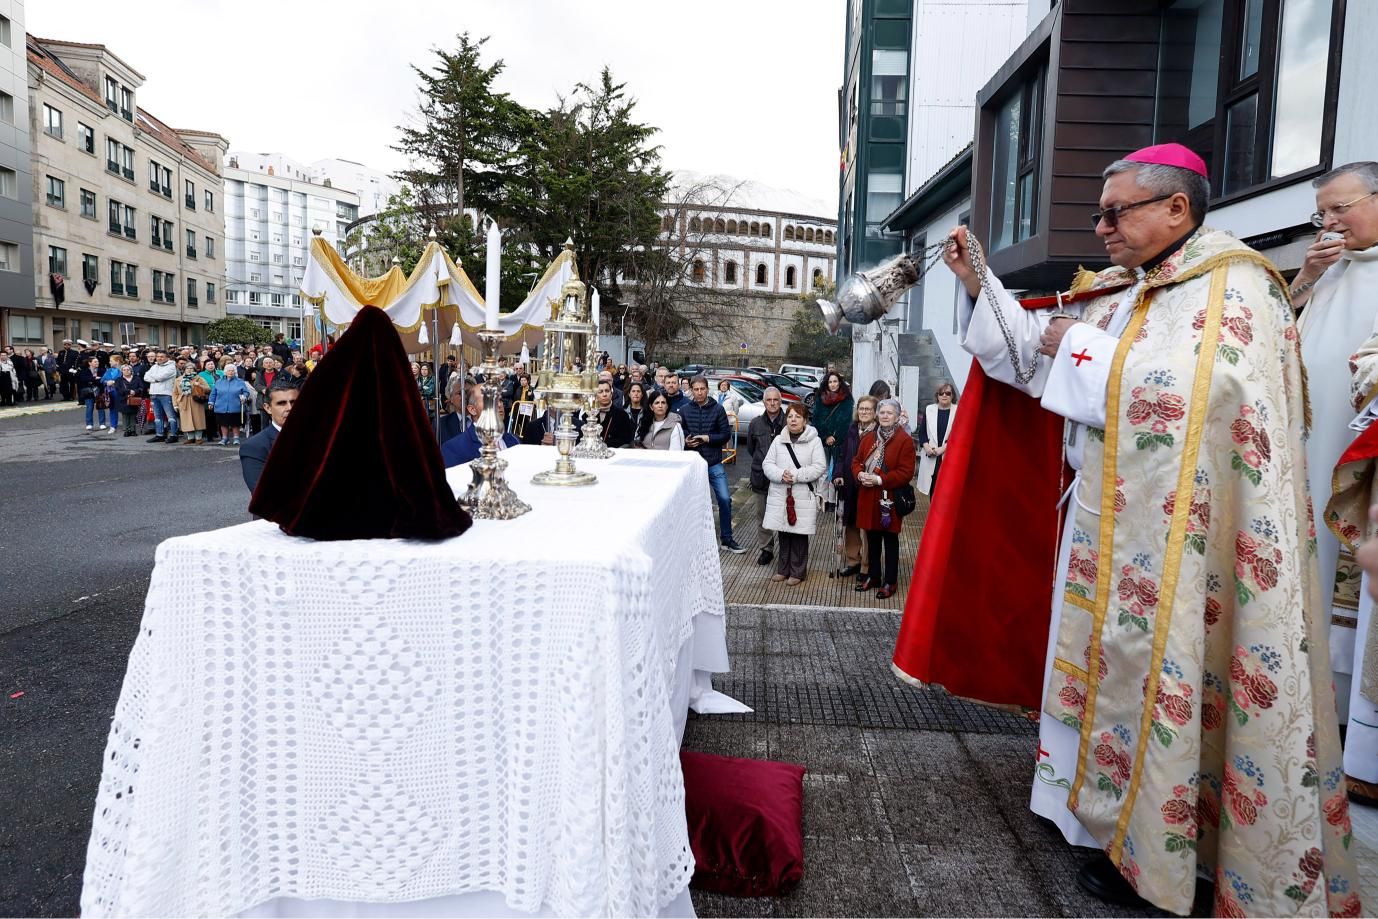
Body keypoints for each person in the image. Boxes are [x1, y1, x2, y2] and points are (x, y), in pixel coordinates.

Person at [901, 142, 1357, 915]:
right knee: (1098, 673)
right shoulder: (1134, 287)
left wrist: (1077, 347)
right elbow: (1037, 365)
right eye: (1100, 213)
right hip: (1107, 520)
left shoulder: (1235, 286)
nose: (1102, 228)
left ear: (1177, 208)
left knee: (1162, 673)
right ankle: (1091, 816)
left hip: (1187, 537)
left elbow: (1204, 393)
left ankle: (1160, 854)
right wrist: (982, 286)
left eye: (1117, 212)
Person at [1289, 162, 1378, 772]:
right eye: (1323, 211)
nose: (1330, 221)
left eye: (1342, 207)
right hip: (1306, 447)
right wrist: (1305, 275)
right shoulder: (1327, 271)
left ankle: (1350, 721)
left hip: (1358, 463)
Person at [852, 399, 914, 600]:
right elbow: (856, 462)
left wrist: (880, 479)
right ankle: (874, 576)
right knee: (872, 538)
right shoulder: (869, 438)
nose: (885, 416)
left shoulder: (904, 440)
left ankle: (891, 581)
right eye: (883, 412)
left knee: (890, 540)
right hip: (868, 496)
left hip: (888, 499)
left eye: (890, 413)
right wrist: (860, 475)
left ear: (897, 417)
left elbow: (906, 473)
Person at [761, 403, 827, 585]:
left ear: (805, 420)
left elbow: (820, 466)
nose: (793, 420)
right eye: (790, 416)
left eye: (797, 416)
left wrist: (797, 475)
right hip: (780, 492)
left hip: (802, 493)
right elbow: (767, 464)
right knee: (783, 531)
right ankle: (783, 569)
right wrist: (781, 475)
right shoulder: (778, 440)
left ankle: (797, 572)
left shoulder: (814, 441)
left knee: (799, 533)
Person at [681, 375, 744, 553]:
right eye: (696, 389)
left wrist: (708, 438)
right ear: (691, 390)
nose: (699, 392)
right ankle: (693, 539)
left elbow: (725, 434)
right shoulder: (685, 410)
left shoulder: (718, 409)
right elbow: (681, 431)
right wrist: (687, 440)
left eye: (702, 389)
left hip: (713, 462)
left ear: (708, 390)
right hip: (692, 463)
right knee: (692, 503)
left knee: (724, 499)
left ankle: (727, 538)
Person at [833, 395, 877, 579]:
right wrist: (838, 474)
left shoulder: (878, 432)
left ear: (874, 413)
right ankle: (853, 561)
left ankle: (867, 565)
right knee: (850, 523)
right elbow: (842, 455)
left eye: (868, 409)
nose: (864, 412)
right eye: (861, 408)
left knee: (867, 526)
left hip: (868, 485)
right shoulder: (851, 429)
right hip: (850, 484)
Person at [747, 387, 787, 565]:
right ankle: (766, 549)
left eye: (775, 400)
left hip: (783, 477)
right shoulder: (755, 423)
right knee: (762, 515)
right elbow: (751, 448)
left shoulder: (789, 421)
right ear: (764, 402)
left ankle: (786, 549)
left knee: (784, 513)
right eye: (769, 400)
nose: (772, 403)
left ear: (780, 401)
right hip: (760, 476)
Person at [240, 377, 300, 492]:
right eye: (281, 403)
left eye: (294, 402)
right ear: (268, 408)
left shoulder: (322, 437)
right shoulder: (255, 447)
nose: (290, 408)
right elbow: (262, 493)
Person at [441, 382, 518, 467]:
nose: (499, 405)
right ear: (472, 410)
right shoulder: (454, 448)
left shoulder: (513, 440)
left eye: (499, 400)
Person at [813, 371, 854, 507]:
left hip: (840, 440)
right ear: (826, 383)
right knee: (823, 470)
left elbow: (846, 421)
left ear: (840, 382)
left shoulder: (847, 398)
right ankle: (822, 498)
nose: (833, 384)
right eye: (830, 382)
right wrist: (825, 436)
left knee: (835, 469)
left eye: (835, 381)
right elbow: (816, 420)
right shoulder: (820, 397)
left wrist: (835, 437)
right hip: (823, 440)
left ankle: (832, 500)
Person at [917, 383, 958, 497]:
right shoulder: (929, 409)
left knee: (948, 490)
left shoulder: (958, 411)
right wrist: (927, 447)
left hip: (948, 456)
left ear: (952, 395)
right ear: (937, 395)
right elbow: (922, 432)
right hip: (931, 456)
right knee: (933, 489)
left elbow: (958, 435)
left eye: (948, 393)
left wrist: (943, 449)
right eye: (941, 393)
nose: (944, 395)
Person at [210, 365, 255, 446]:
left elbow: (246, 392)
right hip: (221, 406)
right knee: (223, 423)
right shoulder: (219, 382)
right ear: (225, 372)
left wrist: (244, 397)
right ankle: (224, 438)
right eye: (228, 370)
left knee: (235, 423)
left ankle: (236, 438)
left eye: (232, 370)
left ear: (235, 372)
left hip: (235, 406)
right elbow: (213, 393)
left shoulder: (240, 381)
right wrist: (211, 402)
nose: (230, 372)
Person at [584, 380, 634, 448]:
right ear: (595, 395)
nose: (604, 394)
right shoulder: (588, 415)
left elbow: (626, 440)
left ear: (611, 393)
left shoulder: (622, 415)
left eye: (607, 391)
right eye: (600, 392)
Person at [143, 350, 179, 443]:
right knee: (157, 416)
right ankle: (160, 434)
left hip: (166, 394)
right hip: (154, 393)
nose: (159, 358)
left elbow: (160, 377)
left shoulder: (171, 367)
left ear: (167, 357)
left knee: (170, 416)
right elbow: (145, 377)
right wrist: (156, 379)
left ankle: (173, 435)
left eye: (162, 356)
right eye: (158, 356)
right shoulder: (154, 366)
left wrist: (154, 378)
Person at [173, 360, 209, 445]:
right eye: (187, 368)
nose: (189, 370)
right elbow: (175, 393)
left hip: (196, 401)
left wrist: (199, 385)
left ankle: (198, 438)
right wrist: (175, 404)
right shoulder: (178, 380)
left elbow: (208, 389)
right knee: (186, 420)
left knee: (198, 420)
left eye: (191, 368)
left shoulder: (199, 378)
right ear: (184, 370)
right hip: (183, 401)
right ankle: (190, 437)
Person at [108, 362, 144, 436]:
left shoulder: (136, 378)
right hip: (123, 399)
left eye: (128, 369)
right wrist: (128, 391)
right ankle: (127, 430)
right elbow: (118, 389)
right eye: (124, 370)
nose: (126, 371)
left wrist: (135, 391)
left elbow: (141, 387)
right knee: (125, 415)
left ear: (131, 371)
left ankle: (133, 430)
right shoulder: (119, 380)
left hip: (134, 399)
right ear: (122, 371)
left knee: (133, 415)